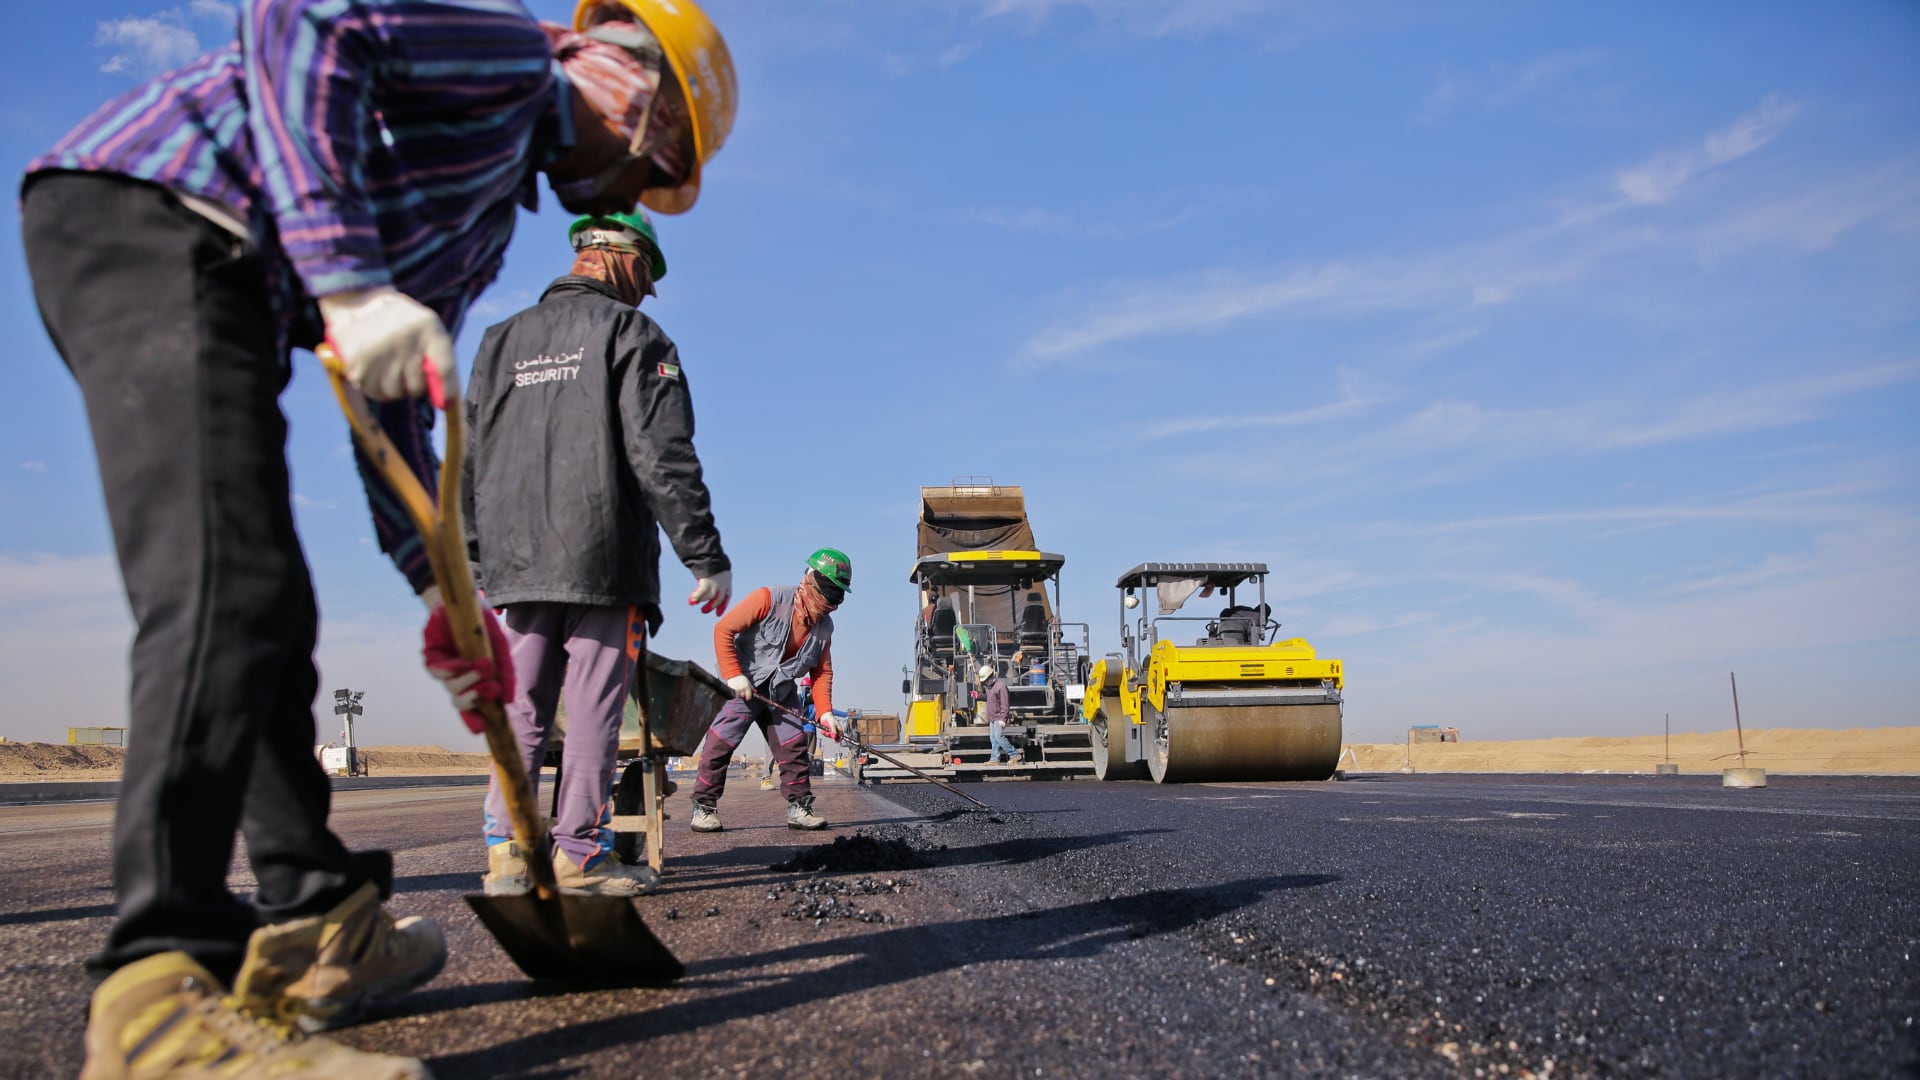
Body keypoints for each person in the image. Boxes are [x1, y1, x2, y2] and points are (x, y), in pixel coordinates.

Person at [20, 0, 736, 1074]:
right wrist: (347, 281)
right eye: (660, 155)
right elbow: (300, 22)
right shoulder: (509, 57)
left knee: (268, 609)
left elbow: (393, 395)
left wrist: (441, 590)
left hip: (236, 279)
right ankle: (159, 1002)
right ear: (621, 77)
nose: (640, 193)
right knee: (225, 595)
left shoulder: (489, 213)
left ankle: (317, 920)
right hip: (155, 214)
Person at [465, 210, 730, 898]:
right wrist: (703, 554)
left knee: (521, 703)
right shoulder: (633, 334)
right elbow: (662, 454)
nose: (646, 293)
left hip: (515, 563)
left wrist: (473, 554)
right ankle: (578, 855)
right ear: (623, 258)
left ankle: (507, 853)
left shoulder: (499, 341)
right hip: (601, 556)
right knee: (590, 709)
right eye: (647, 277)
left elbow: (468, 457)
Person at [692, 550, 852, 832]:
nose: (830, 603)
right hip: (744, 685)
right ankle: (704, 808)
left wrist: (825, 713)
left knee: (794, 748)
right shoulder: (769, 598)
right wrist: (733, 675)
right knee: (720, 743)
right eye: (828, 593)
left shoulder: (825, 627)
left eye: (836, 596)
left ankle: (800, 809)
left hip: (780, 691)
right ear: (809, 580)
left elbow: (822, 672)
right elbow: (724, 630)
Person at [978, 664, 1023, 764]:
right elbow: (989, 698)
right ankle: (994, 759)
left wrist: (1003, 719)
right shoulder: (990, 687)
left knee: (999, 737)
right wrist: (978, 696)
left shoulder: (1001, 686)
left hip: (999, 717)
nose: (984, 683)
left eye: (985, 680)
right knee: (993, 738)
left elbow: (1005, 704)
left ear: (990, 676)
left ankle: (1015, 755)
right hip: (993, 717)